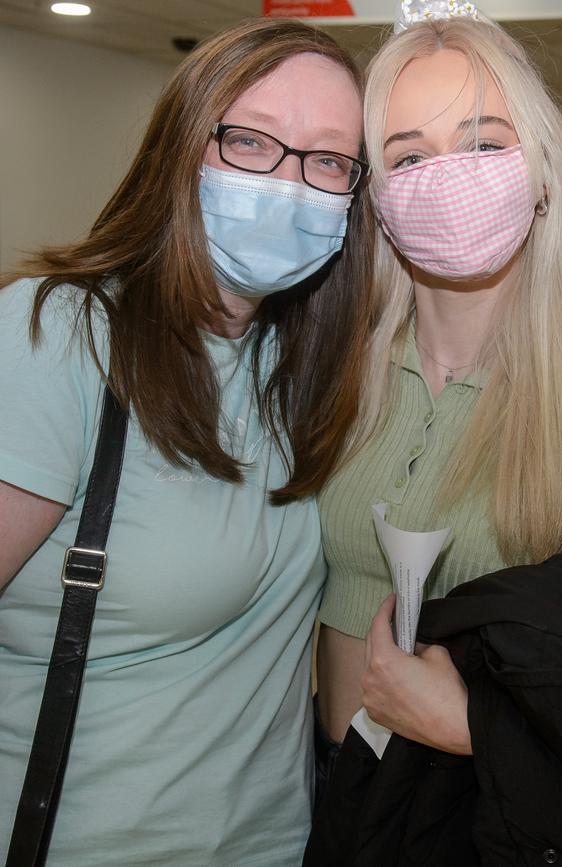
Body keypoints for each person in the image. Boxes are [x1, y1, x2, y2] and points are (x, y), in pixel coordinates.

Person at [0, 17, 374, 866]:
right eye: (251, 141)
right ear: (182, 147)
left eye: (326, 161)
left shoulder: (305, 367)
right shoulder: (61, 335)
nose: (289, 184)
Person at [313, 0, 562, 840]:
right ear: (380, 200)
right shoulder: (332, 379)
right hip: (320, 797)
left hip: (480, 814)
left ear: (540, 170)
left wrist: (475, 731)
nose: (448, 175)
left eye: (484, 142)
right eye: (408, 154)